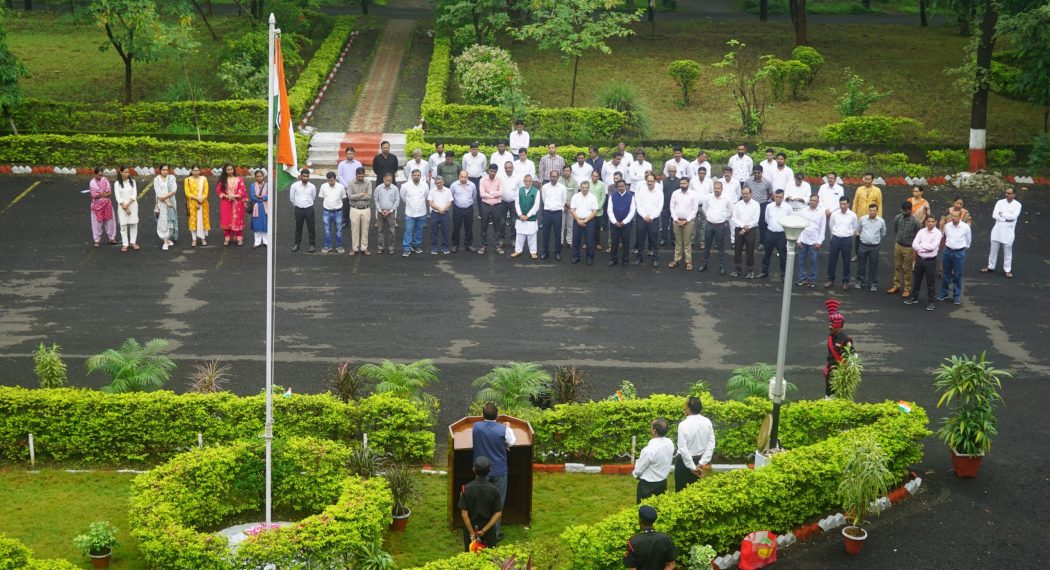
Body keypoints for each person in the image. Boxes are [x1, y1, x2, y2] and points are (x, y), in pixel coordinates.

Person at [472, 402, 516, 541]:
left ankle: (479, 532)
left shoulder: (476, 427)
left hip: (481, 472)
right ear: (497, 416)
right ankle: (494, 535)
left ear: (482, 415)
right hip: (499, 471)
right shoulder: (503, 430)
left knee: (480, 502)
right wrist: (508, 428)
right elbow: (512, 442)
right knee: (498, 503)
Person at [458, 456, 503, 552]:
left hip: (471, 529)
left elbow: (464, 515)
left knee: (470, 559)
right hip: (489, 531)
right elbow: (498, 513)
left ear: (473, 469)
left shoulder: (465, 489)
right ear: (490, 470)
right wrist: (484, 530)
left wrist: (472, 534)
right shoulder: (494, 490)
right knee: (490, 559)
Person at [675, 396, 715, 492]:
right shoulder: (707, 422)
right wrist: (701, 463)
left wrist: (692, 467)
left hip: (684, 464)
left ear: (688, 408)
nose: (684, 408)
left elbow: (683, 448)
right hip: (698, 461)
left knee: (681, 492)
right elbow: (711, 444)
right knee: (696, 493)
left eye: (685, 405)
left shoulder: (683, 425)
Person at [982, 186, 1022, 278]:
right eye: (1006, 193)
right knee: (993, 249)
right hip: (997, 229)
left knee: (1008, 250)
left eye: (1009, 193)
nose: (1006, 195)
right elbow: (994, 215)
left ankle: (1007, 270)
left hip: (1009, 231)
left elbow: (1013, 217)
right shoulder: (1000, 202)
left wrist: (1001, 215)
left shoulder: (1018, 205)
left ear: (1014, 195)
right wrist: (1005, 218)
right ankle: (990, 266)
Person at [905, 215, 943, 311]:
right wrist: (923, 248)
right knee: (917, 279)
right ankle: (914, 297)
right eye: (928, 221)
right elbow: (914, 244)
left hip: (931, 261)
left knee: (930, 282)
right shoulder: (921, 232)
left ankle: (931, 302)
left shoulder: (938, 233)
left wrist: (921, 246)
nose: (930, 223)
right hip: (919, 259)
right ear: (926, 222)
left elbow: (933, 247)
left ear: (936, 222)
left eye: (932, 221)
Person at [632, 418, 674, 503]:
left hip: (647, 486)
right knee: (660, 508)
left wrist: (635, 474)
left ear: (654, 431)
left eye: (651, 427)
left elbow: (638, 470)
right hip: (663, 482)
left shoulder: (648, 450)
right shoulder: (670, 443)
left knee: (644, 511)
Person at [624, 506, 677, 570]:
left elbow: (632, 568)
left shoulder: (633, 542)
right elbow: (671, 565)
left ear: (639, 520)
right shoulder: (666, 538)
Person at [938, 210, 972, 305]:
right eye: (952, 216)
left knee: (957, 275)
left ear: (960, 217)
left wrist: (962, 249)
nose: (953, 218)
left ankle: (956, 296)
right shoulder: (948, 226)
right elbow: (945, 236)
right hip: (947, 251)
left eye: (955, 216)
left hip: (959, 253)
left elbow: (969, 240)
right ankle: (944, 293)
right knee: (946, 273)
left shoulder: (965, 227)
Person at [823, 299, 854, 398]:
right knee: (829, 393)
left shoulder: (845, 340)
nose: (829, 327)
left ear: (837, 326)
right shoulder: (832, 335)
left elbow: (853, 355)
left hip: (839, 374)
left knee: (836, 395)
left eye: (831, 325)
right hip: (831, 371)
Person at [825, 197, 858, 290]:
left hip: (847, 239)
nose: (842, 206)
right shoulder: (834, 214)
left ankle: (845, 281)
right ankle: (830, 279)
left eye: (844, 204)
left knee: (846, 261)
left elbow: (855, 227)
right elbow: (831, 225)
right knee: (832, 260)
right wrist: (833, 235)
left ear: (848, 204)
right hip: (835, 238)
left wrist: (849, 235)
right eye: (841, 204)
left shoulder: (853, 215)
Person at [887, 201, 919, 297]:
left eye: (906, 211)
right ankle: (896, 285)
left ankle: (907, 289)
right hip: (898, 245)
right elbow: (895, 230)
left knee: (907, 269)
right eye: (903, 210)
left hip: (908, 248)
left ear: (910, 210)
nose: (904, 212)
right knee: (897, 267)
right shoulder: (898, 218)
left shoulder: (915, 221)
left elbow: (918, 234)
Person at [699, 180, 731, 275]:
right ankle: (704, 264)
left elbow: (730, 210)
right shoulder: (708, 198)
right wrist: (709, 216)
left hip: (720, 225)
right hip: (709, 224)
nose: (716, 190)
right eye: (715, 188)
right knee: (707, 247)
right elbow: (704, 208)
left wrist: (724, 218)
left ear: (722, 189)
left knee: (721, 247)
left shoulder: (726, 199)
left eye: (718, 188)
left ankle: (722, 267)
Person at [668, 177, 700, 271]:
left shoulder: (693, 194)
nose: (682, 185)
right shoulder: (675, 193)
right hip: (676, 221)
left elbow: (695, 209)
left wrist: (687, 220)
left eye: (684, 183)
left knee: (687, 243)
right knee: (678, 242)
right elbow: (672, 207)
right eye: (681, 183)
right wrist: (676, 219)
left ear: (688, 184)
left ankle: (688, 261)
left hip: (688, 222)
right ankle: (676, 260)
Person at [796, 194, 826, 287]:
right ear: (809, 201)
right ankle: (802, 279)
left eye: (815, 200)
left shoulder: (821, 213)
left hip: (814, 242)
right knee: (801, 261)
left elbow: (823, 228)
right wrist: (798, 240)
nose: (813, 202)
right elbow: (799, 226)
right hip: (803, 240)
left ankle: (812, 280)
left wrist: (819, 242)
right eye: (811, 200)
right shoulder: (803, 211)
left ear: (818, 202)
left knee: (814, 261)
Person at [851, 173, 883, 261]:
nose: (867, 181)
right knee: (858, 236)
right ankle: (857, 255)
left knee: (871, 235)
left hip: (872, 217)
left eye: (869, 179)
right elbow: (855, 203)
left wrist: (879, 218)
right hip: (860, 216)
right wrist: (853, 216)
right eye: (865, 179)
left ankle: (871, 255)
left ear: (872, 180)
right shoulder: (859, 189)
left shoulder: (877, 190)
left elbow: (879, 205)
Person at [855, 204, 886, 291]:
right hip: (863, 245)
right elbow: (859, 229)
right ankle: (860, 281)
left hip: (874, 247)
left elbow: (883, 233)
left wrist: (876, 239)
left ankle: (873, 284)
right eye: (870, 210)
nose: (872, 212)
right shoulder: (862, 219)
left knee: (873, 265)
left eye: (874, 210)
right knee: (861, 264)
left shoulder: (881, 221)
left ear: (877, 211)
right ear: (868, 211)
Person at [634, 174, 663, 267]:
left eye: (651, 181)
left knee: (654, 240)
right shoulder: (642, 191)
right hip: (642, 218)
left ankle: (655, 259)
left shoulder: (659, 192)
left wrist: (651, 217)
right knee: (640, 239)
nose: (649, 183)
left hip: (653, 219)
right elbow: (638, 205)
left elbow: (659, 207)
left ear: (655, 181)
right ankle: (639, 258)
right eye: (648, 181)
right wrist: (644, 216)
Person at [731, 187, 759, 279]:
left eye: (747, 193)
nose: (745, 195)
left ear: (751, 194)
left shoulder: (756, 204)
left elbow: (755, 220)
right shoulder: (737, 204)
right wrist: (743, 226)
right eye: (743, 193)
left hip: (751, 230)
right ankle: (736, 269)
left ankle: (750, 271)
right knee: (737, 250)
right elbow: (734, 218)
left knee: (750, 251)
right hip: (739, 229)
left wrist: (746, 228)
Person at [760, 190, 789, 279]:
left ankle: (783, 274)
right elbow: (766, 219)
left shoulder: (787, 207)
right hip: (770, 233)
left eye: (780, 197)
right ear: (774, 197)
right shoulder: (769, 206)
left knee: (783, 256)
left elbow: (790, 219)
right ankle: (764, 272)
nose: (778, 199)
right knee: (766, 254)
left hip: (781, 235)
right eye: (776, 197)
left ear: (783, 197)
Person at [216, 163, 247, 246]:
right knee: (226, 220)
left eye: (231, 169)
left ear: (234, 169)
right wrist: (226, 196)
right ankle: (227, 237)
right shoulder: (222, 180)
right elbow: (219, 190)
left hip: (237, 202)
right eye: (228, 169)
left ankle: (239, 238)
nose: (230, 171)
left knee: (237, 220)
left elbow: (243, 190)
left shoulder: (239, 179)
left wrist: (235, 196)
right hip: (226, 203)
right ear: (225, 171)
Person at [478, 164, 506, 255]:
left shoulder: (500, 180)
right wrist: (495, 194)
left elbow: (501, 193)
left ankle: (497, 246)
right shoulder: (482, 180)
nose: (493, 173)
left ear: (496, 172)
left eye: (494, 171)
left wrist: (489, 193)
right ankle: (483, 245)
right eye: (491, 171)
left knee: (497, 226)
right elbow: (482, 194)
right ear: (488, 170)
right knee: (483, 226)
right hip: (485, 205)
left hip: (497, 206)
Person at [400, 169, 429, 257]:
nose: (416, 177)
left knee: (419, 230)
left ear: (420, 176)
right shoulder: (405, 186)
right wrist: (410, 204)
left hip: (421, 212)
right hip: (410, 212)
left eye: (418, 175)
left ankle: (416, 246)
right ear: (411, 176)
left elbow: (426, 196)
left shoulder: (425, 185)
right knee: (408, 230)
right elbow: (403, 197)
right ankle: (406, 248)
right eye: (414, 175)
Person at [607, 179, 636, 267]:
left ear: (626, 186)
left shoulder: (631, 196)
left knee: (626, 243)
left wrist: (625, 222)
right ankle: (614, 260)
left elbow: (632, 210)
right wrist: (614, 221)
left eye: (622, 186)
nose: (621, 188)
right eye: (619, 186)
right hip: (614, 223)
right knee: (614, 242)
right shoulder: (612, 196)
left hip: (626, 224)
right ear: (616, 187)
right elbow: (609, 210)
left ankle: (625, 261)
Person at [570, 180, 599, 265]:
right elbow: (572, 210)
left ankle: (590, 257)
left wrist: (585, 220)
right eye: (583, 187)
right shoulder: (575, 196)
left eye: (586, 188)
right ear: (580, 188)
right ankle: (576, 257)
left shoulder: (593, 197)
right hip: (577, 220)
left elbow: (594, 212)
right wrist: (578, 220)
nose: (584, 189)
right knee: (576, 240)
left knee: (590, 241)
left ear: (589, 188)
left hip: (589, 221)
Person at [540, 170, 566, 261]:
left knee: (557, 234)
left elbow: (564, 200)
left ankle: (557, 253)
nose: (553, 178)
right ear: (549, 177)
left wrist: (559, 208)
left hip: (557, 213)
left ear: (558, 177)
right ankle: (545, 252)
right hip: (547, 212)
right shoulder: (545, 187)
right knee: (545, 234)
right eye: (552, 176)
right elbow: (543, 199)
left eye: (555, 176)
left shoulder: (562, 188)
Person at [742, 166, 772, 247]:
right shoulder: (748, 181)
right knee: (748, 222)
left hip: (762, 205)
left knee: (762, 225)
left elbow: (770, 193)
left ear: (762, 172)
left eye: (758, 173)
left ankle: (762, 243)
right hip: (750, 205)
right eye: (755, 173)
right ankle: (745, 242)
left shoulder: (767, 182)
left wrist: (764, 199)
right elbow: (745, 190)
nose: (756, 174)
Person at [289, 169, 317, 253]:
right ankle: (297, 244)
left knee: (311, 228)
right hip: (298, 209)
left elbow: (313, 197)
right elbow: (292, 198)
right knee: (298, 227)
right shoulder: (294, 185)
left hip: (309, 209)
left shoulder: (312, 186)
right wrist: (297, 204)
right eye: (304, 176)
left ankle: (312, 245)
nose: (306, 178)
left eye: (307, 176)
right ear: (301, 176)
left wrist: (307, 204)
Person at [89, 167, 118, 247]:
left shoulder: (105, 180)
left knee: (110, 221)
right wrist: (104, 193)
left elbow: (109, 192)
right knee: (97, 223)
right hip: (96, 207)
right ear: (94, 174)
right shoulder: (92, 182)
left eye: (102, 175)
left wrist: (102, 194)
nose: (100, 177)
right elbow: (94, 195)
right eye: (99, 175)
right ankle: (97, 239)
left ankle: (112, 238)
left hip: (107, 205)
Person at [318, 171, 347, 254]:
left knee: (339, 230)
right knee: (327, 230)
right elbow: (322, 197)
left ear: (335, 179)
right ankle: (327, 246)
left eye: (332, 180)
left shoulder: (341, 187)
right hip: (326, 212)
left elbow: (343, 197)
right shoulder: (323, 186)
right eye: (329, 180)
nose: (330, 182)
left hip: (338, 212)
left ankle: (339, 246)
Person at [513, 175, 541, 259]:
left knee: (532, 235)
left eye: (529, 181)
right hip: (521, 217)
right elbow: (517, 203)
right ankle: (518, 250)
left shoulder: (536, 191)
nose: (527, 182)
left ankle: (533, 252)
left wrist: (528, 216)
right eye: (526, 181)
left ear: (531, 182)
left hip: (531, 217)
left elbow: (536, 206)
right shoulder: (519, 190)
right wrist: (520, 214)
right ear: (523, 181)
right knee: (519, 234)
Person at [347, 167, 373, 255]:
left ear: (364, 175)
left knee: (365, 229)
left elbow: (369, 196)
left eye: (362, 176)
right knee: (354, 230)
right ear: (356, 175)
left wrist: (356, 196)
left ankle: (364, 248)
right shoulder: (351, 183)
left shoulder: (368, 182)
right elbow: (350, 197)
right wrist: (362, 194)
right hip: (354, 209)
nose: (361, 178)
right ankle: (355, 248)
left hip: (366, 209)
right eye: (359, 176)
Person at [113, 166, 139, 252]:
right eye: (124, 172)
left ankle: (133, 242)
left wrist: (127, 205)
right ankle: (125, 243)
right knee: (123, 226)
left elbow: (134, 195)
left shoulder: (133, 182)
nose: (126, 174)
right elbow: (118, 197)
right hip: (122, 207)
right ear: (120, 172)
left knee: (133, 224)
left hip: (132, 205)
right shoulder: (117, 184)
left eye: (128, 172)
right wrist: (125, 207)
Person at [450, 170, 477, 253]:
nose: (463, 178)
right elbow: (451, 196)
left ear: (468, 177)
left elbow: (474, 196)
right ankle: (455, 244)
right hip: (457, 209)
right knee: (456, 227)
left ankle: (468, 245)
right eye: (462, 176)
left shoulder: (472, 185)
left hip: (468, 209)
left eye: (465, 177)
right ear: (459, 176)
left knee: (468, 228)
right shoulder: (454, 185)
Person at [373, 173, 400, 255]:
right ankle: (380, 247)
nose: (388, 182)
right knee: (380, 231)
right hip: (380, 212)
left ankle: (391, 248)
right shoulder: (378, 188)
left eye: (390, 181)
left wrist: (391, 210)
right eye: (387, 180)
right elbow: (375, 199)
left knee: (391, 231)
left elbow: (397, 200)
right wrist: (379, 210)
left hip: (390, 213)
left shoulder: (395, 188)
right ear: (383, 179)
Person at [153, 163, 178, 250]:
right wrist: (166, 201)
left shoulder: (172, 178)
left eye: (167, 170)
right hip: (161, 204)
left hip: (171, 203)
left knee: (171, 220)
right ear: (160, 170)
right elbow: (158, 193)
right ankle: (165, 241)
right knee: (163, 221)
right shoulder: (156, 179)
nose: (165, 171)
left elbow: (174, 190)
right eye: (163, 170)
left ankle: (168, 238)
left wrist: (166, 199)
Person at [184, 165, 210, 247]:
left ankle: (203, 238)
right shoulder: (187, 180)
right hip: (192, 203)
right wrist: (197, 198)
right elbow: (187, 193)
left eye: (197, 170)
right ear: (191, 171)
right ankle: (194, 239)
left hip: (203, 203)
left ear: (200, 171)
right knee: (193, 221)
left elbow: (206, 191)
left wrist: (201, 200)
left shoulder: (204, 179)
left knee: (203, 220)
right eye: (194, 170)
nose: (196, 172)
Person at [336, 146, 362, 228]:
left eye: (351, 153)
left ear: (354, 154)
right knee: (345, 205)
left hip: (356, 187)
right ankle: (345, 221)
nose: (350, 155)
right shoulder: (342, 164)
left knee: (356, 205)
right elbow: (340, 176)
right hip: (345, 188)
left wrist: (354, 185)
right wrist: (347, 186)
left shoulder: (358, 164)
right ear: (346, 154)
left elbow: (360, 175)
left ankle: (356, 221)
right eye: (348, 153)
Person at [428, 177, 453, 255]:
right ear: (435, 183)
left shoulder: (448, 191)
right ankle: (434, 247)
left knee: (445, 230)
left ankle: (445, 247)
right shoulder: (432, 191)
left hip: (445, 213)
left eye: (440, 182)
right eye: (437, 183)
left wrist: (444, 209)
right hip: (435, 213)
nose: (438, 184)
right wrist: (439, 208)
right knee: (434, 231)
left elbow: (450, 203)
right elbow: (430, 202)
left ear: (443, 182)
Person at [462, 142, 488, 214]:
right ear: (470, 150)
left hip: (479, 179)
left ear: (478, 149)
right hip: (469, 179)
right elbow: (464, 168)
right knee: (468, 195)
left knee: (480, 196)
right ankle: (468, 212)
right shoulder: (466, 156)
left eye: (476, 149)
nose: (474, 151)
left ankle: (481, 213)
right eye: (473, 149)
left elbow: (484, 168)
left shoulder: (482, 156)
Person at [660, 164, 680, 246]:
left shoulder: (679, 181)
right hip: (665, 206)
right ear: (668, 172)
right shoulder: (663, 182)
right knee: (664, 224)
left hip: (675, 207)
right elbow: (660, 194)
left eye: (674, 171)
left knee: (674, 224)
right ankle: (664, 239)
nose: (672, 173)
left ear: (676, 172)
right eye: (670, 171)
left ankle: (673, 239)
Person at [559, 165, 579, 249]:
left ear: (571, 172)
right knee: (561, 225)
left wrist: (570, 204)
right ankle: (560, 241)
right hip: (561, 206)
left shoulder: (574, 181)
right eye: (565, 171)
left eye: (568, 170)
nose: (566, 172)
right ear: (563, 171)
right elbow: (558, 194)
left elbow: (575, 194)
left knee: (570, 225)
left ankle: (569, 241)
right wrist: (564, 204)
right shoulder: (559, 180)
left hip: (571, 206)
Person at [248, 169, 269, 249]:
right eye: (257, 177)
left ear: (263, 177)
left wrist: (262, 197)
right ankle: (257, 242)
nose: (259, 178)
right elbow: (252, 196)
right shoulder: (253, 185)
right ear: (255, 178)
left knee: (265, 223)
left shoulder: (267, 185)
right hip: (256, 207)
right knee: (256, 224)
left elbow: (269, 195)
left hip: (265, 207)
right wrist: (263, 199)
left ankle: (265, 241)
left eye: (261, 176)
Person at [589, 169, 607, 253]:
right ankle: (587, 242)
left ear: (599, 177)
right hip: (588, 210)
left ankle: (597, 243)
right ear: (591, 176)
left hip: (598, 211)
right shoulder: (587, 183)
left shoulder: (602, 184)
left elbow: (603, 196)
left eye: (596, 176)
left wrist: (598, 207)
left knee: (597, 228)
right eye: (593, 176)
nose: (594, 178)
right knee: (587, 227)